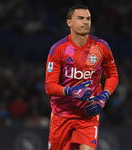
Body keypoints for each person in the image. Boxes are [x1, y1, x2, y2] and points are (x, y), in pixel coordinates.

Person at [45, 4, 119, 150]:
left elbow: (113, 76)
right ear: (69, 22)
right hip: (62, 115)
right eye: (80, 18)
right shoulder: (58, 49)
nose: (86, 22)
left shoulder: (101, 47)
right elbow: (49, 87)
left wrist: (104, 96)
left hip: (87, 115)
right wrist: (71, 91)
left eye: (88, 18)